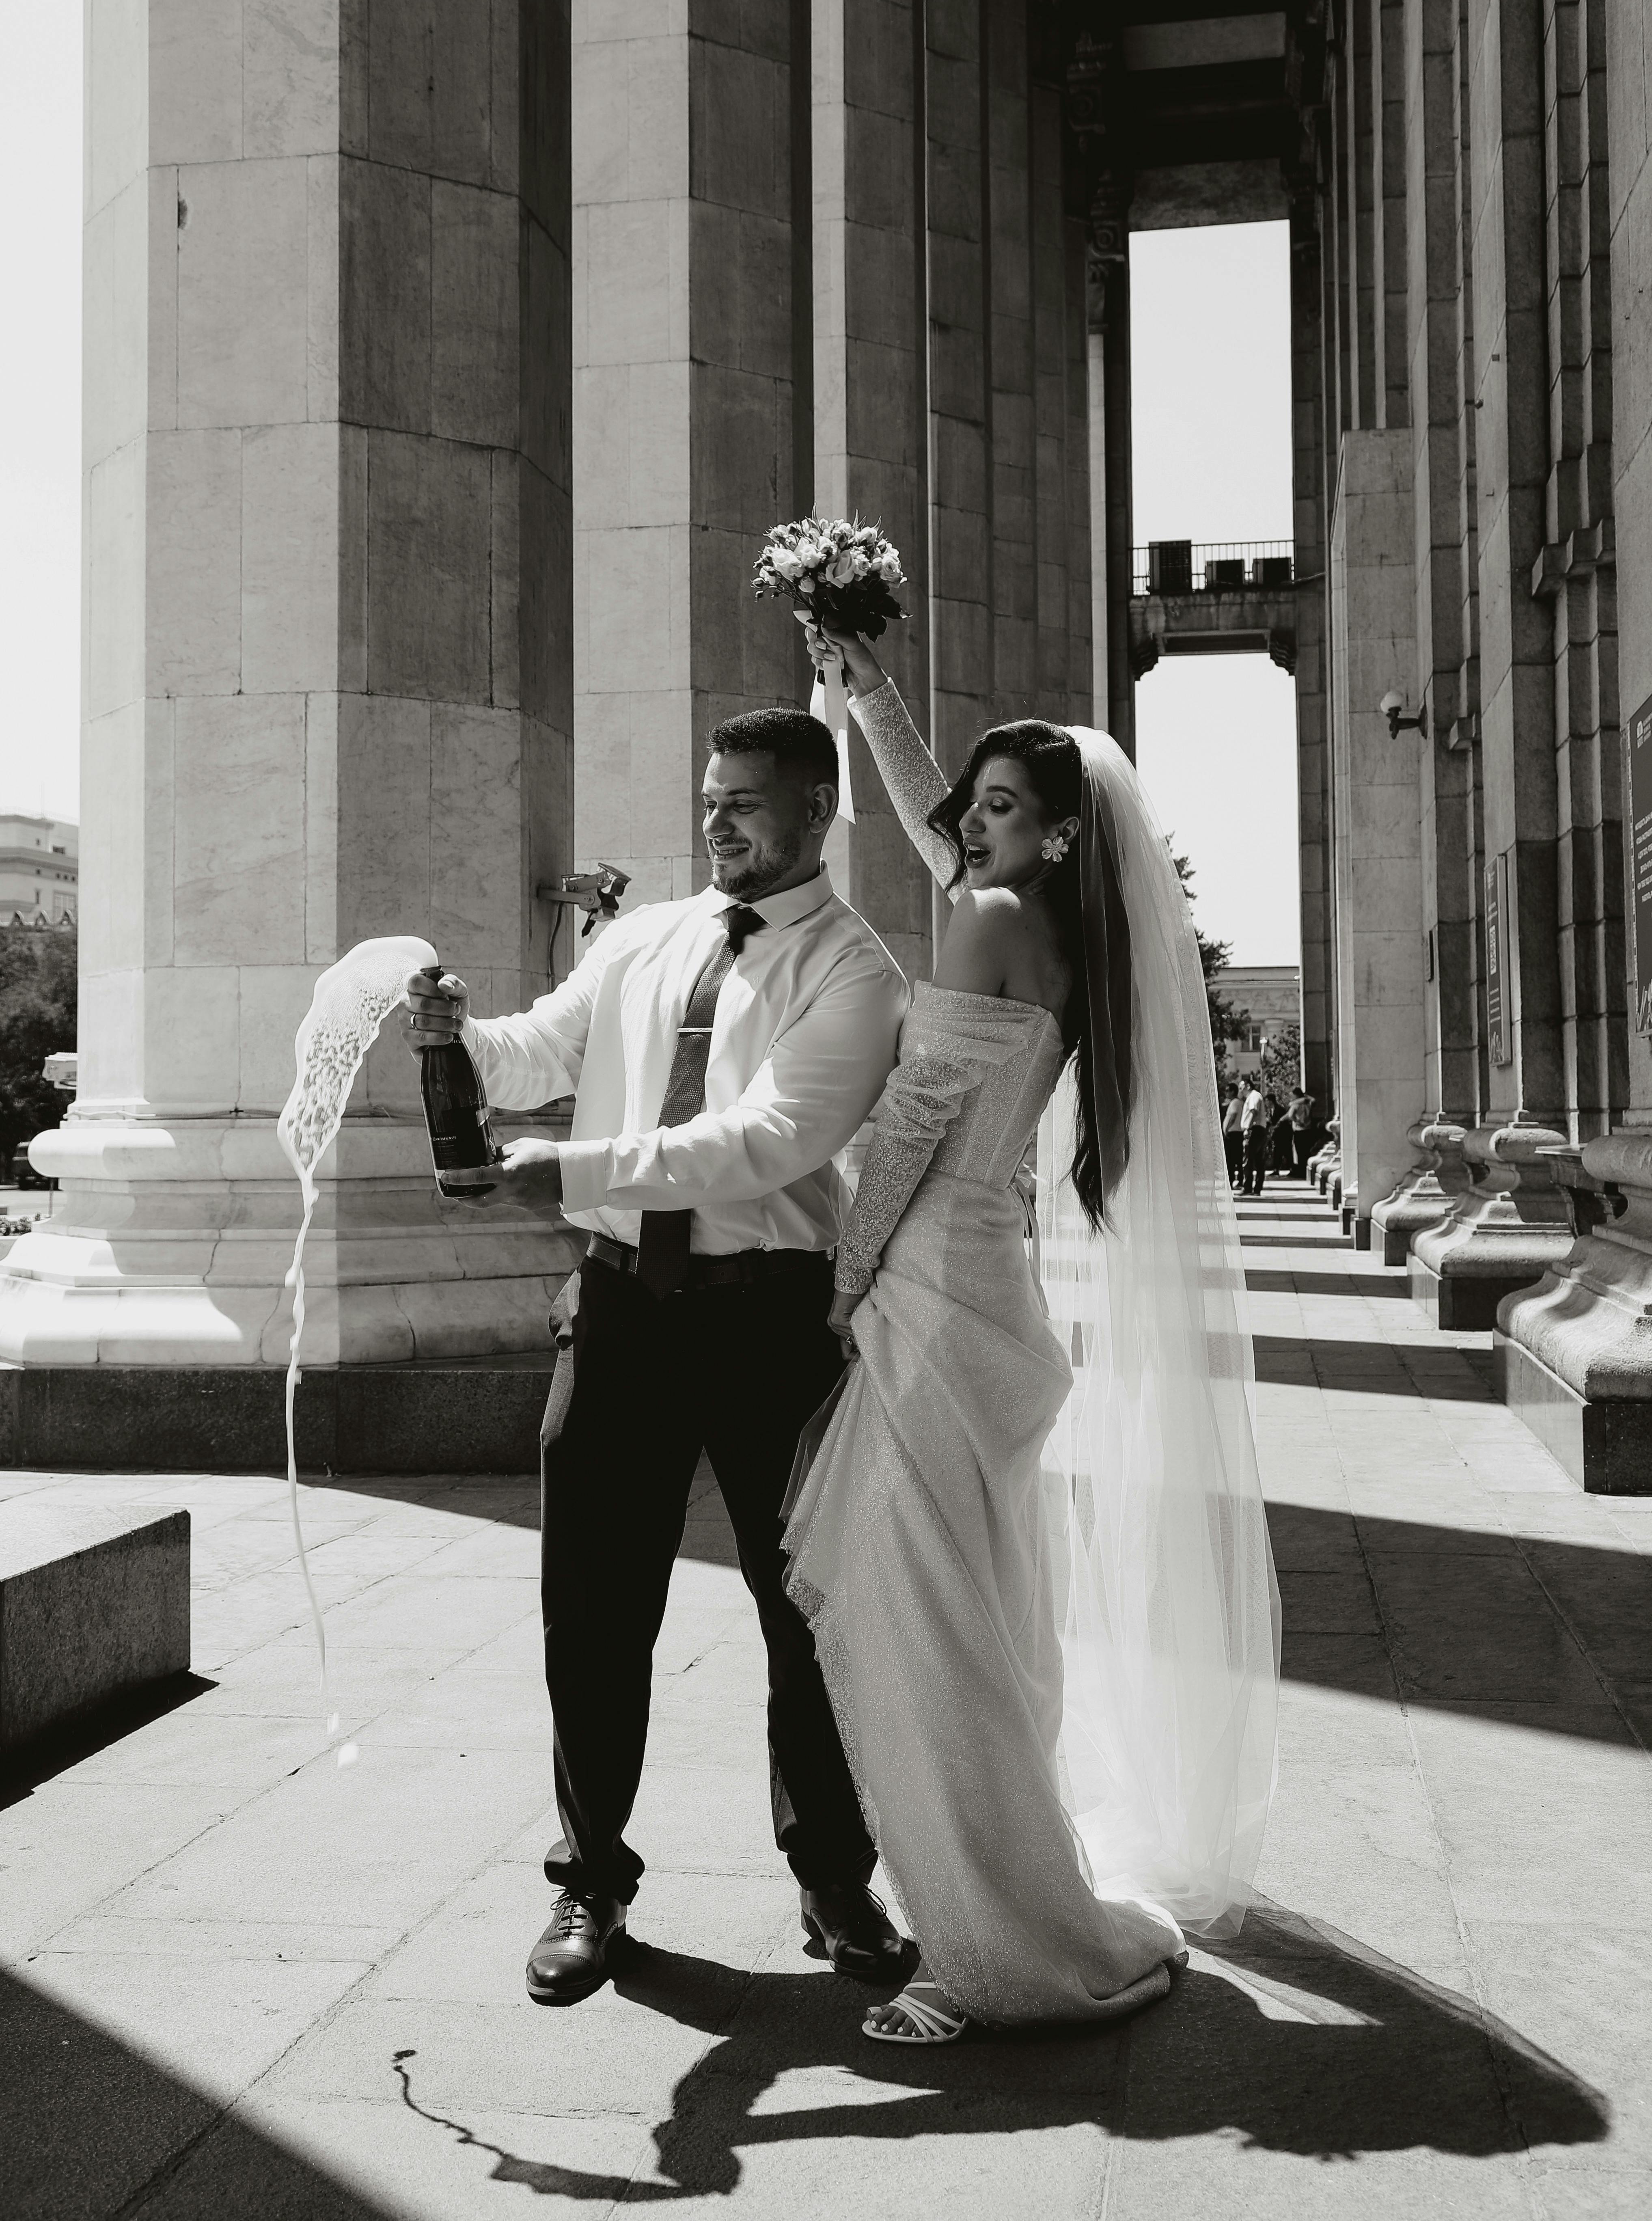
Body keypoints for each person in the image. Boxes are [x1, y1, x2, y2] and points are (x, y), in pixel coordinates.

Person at [787, 621, 1280, 2045]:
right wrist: (865, 681)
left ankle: (993, 1947)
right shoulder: (1061, 934)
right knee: (971, 1613)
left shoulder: (994, 919)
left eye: (1006, 809)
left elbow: (920, 1119)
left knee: (924, 1620)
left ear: (1062, 835)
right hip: (987, 1289)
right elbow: (930, 806)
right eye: (980, 806)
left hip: (933, 1291)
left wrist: (844, 1273)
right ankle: (991, 1894)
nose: (975, 825)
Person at [404, 708, 914, 2008]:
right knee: (592, 1606)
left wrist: (569, 1169)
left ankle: (834, 1876)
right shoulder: (642, 938)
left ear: (815, 812)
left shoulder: (857, 974)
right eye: (709, 796)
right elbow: (540, 1048)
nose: (718, 820)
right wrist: (448, 1031)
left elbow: (767, 1137)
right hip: (621, 1308)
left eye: (745, 800)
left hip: (771, 1319)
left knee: (806, 1616)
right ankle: (591, 1881)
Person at [1239, 1081, 1268, 1196]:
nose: (1240, 1091)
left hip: (1254, 1130)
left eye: (1241, 1088)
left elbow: (1253, 1111)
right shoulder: (1255, 1096)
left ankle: (1248, 1188)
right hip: (1258, 1130)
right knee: (1258, 1160)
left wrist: (1247, 1128)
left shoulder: (1254, 1096)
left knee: (1249, 1160)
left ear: (1248, 1086)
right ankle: (1256, 1189)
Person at [1288, 1087, 1316, 1178]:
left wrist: (1297, 1121)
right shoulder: (1309, 1103)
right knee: (1307, 1151)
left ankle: (1301, 1172)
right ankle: (1307, 1172)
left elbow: (1291, 1115)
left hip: (1299, 1130)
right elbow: (1314, 1100)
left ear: (1296, 1095)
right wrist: (1305, 1097)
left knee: (1300, 1152)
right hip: (1309, 1129)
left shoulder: (1296, 1104)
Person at [1221, 1085, 1246, 1187]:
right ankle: (1240, 1180)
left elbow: (1233, 1116)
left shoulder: (1235, 1102)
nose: (1226, 1093)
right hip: (1237, 1133)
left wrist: (1227, 1128)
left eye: (1228, 1091)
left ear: (1233, 1092)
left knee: (1231, 1159)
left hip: (1233, 1133)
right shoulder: (1238, 1102)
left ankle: (1231, 1180)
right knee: (1238, 1158)